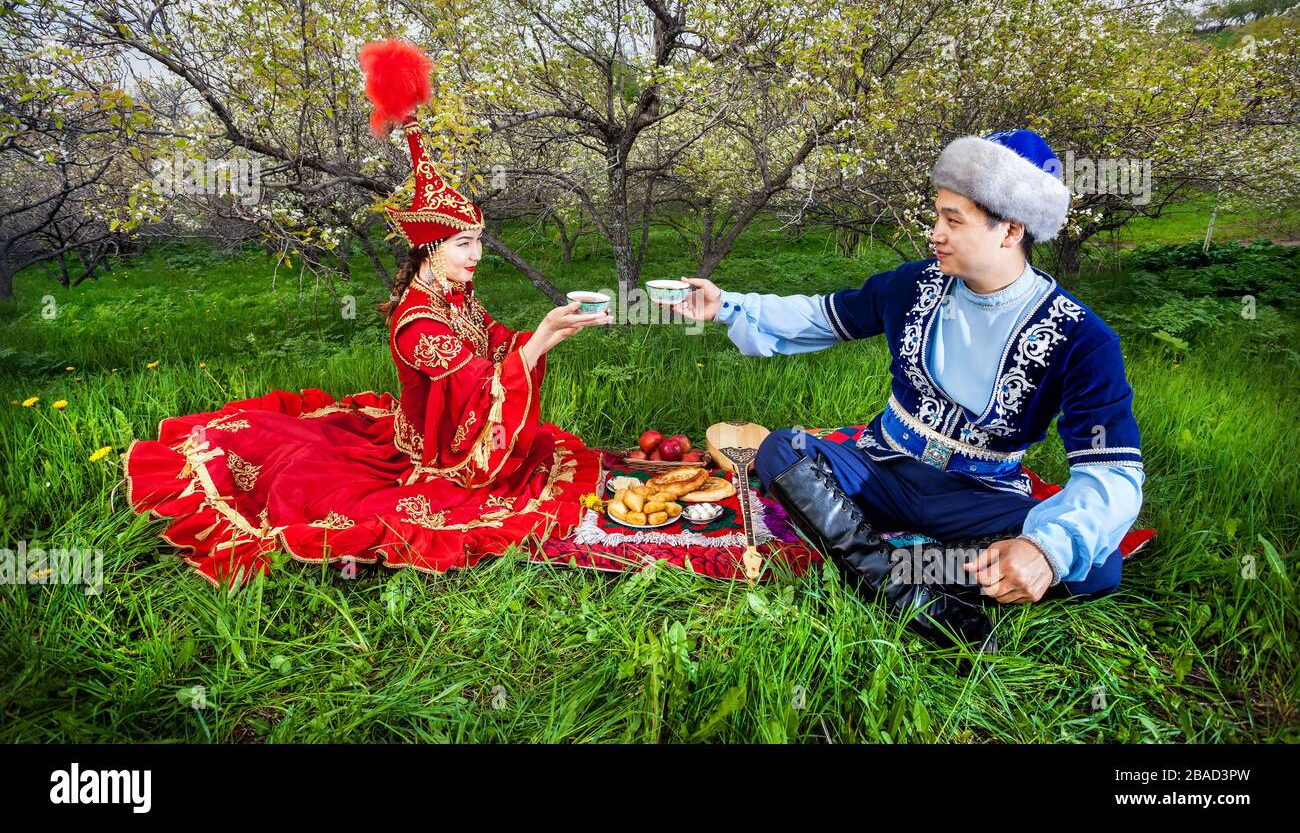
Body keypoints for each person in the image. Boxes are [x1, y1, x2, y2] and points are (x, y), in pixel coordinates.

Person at [121, 38, 611, 587]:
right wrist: (542, 336)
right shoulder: (419, 322)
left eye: (478, 242)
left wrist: (554, 329)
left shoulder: (456, 295)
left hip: (437, 427)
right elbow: (478, 383)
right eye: (463, 244)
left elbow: (495, 342)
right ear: (430, 250)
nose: (476, 255)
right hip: (435, 452)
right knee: (415, 504)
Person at [673, 130, 1144, 650]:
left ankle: (878, 565)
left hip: (977, 495)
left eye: (953, 220)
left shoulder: (1082, 339)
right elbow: (822, 315)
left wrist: (1045, 550)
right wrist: (727, 306)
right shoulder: (912, 284)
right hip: (880, 472)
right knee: (781, 449)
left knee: (1097, 565)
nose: (935, 234)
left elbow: (1111, 471)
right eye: (938, 216)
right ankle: (905, 588)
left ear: (1011, 230)